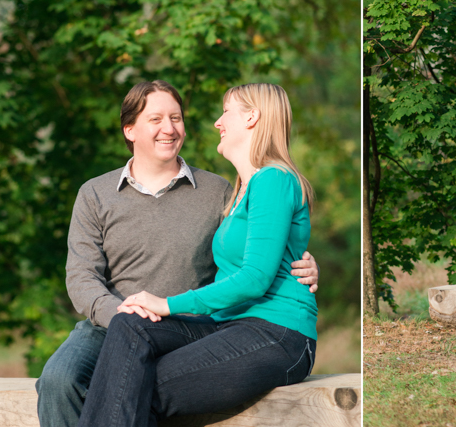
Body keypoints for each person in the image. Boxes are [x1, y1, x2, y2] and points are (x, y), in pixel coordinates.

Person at [35, 81, 319, 427]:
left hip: (202, 322)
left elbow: (259, 265)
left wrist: (303, 263)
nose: (170, 127)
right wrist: (127, 308)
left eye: (175, 117)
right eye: (155, 119)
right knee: (60, 379)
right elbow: (81, 276)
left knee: (137, 386)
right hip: (120, 321)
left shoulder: (223, 190)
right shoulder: (95, 193)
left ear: (252, 118)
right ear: (130, 130)